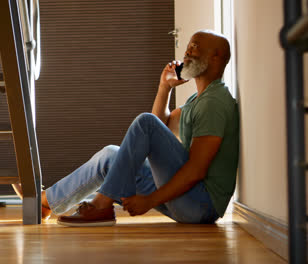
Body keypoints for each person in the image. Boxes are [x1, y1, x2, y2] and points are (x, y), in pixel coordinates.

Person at [14, 29, 239, 227]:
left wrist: (149, 201)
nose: (187, 51)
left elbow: (196, 169)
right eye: (188, 45)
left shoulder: (214, 103)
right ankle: (45, 203)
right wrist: (164, 87)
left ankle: (101, 204)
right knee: (112, 155)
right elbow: (160, 128)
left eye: (195, 46)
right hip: (187, 201)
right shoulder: (197, 100)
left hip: (200, 205)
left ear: (215, 56)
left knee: (145, 122)